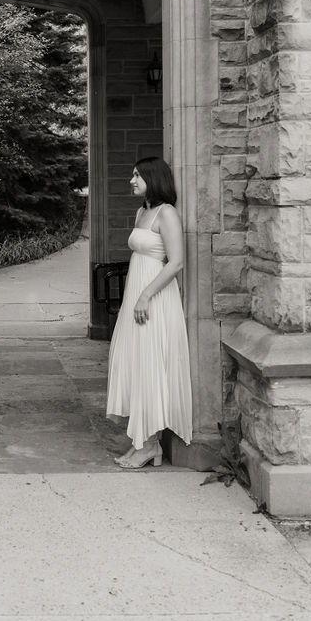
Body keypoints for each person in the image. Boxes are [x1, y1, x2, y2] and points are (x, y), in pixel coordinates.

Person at [105, 156, 193, 468]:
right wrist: (135, 296)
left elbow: (176, 262)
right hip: (137, 295)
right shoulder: (142, 211)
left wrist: (145, 295)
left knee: (152, 364)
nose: (132, 180)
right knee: (136, 362)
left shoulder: (167, 212)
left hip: (154, 297)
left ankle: (150, 444)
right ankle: (141, 442)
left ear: (153, 178)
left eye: (137, 175)